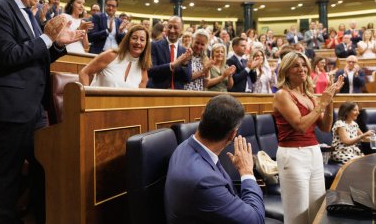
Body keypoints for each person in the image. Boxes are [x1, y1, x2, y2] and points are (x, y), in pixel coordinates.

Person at [0, 0, 84, 223]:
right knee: (8, 176)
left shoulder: (29, 14)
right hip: (10, 109)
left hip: (35, 109)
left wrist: (59, 46)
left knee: (44, 170)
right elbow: (8, 56)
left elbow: (38, 55)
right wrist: (48, 38)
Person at [165, 95, 265, 223]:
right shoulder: (204, 181)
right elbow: (256, 220)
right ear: (232, 135)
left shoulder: (184, 146)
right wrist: (247, 173)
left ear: (202, 117)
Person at [273, 51, 344, 224]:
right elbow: (301, 126)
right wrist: (322, 103)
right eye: (296, 65)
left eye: (304, 65)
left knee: (317, 210)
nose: (301, 69)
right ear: (286, 70)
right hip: (293, 155)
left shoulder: (310, 96)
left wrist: (330, 101)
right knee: (298, 215)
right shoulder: (282, 95)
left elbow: (326, 128)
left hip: (314, 152)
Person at [79, 25, 151, 88]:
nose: (138, 42)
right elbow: (84, 73)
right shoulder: (111, 55)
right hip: (98, 103)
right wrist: (87, 97)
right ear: (127, 40)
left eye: (142, 40)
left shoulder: (143, 68)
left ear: (146, 44)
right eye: (134, 38)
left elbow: (139, 98)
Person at [147, 16, 192, 89]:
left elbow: (188, 79)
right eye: (169, 27)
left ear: (181, 30)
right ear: (165, 28)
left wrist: (184, 64)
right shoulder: (154, 45)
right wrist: (172, 65)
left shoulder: (184, 51)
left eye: (175, 27)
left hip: (177, 95)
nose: (172, 30)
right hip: (157, 93)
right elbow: (150, 71)